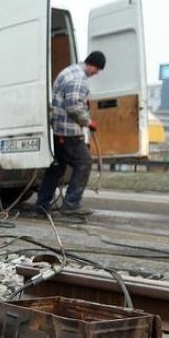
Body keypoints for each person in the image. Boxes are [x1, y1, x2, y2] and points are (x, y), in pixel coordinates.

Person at [35, 51, 107, 216]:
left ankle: (42, 205)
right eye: (97, 69)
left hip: (58, 129)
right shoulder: (79, 78)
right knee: (84, 162)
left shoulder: (71, 71)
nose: (97, 73)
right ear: (92, 65)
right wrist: (88, 122)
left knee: (57, 167)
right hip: (67, 131)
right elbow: (74, 106)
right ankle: (71, 205)